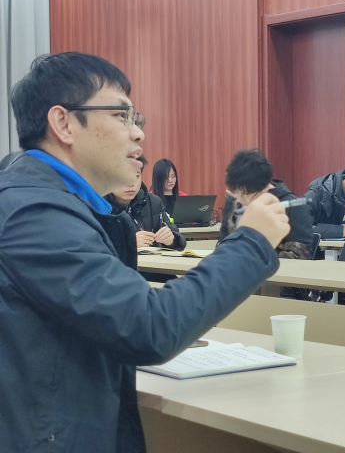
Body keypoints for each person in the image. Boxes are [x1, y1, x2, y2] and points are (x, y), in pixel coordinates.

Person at [0, 52, 289, 452]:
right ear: (63, 123)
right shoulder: (34, 213)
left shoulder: (62, 206)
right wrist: (251, 241)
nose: (138, 134)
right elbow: (148, 328)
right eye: (122, 116)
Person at [220, 148, 313, 259]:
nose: (239, 199)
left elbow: (301, 254)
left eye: (244, 194)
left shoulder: (293, 207)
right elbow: (222, 243)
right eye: (235, 192)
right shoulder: (233, 201)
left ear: (264, 187)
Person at [105, 155, 186, 251]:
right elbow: (92, 248)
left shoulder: (154, 203)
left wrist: (172, 240)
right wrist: (127, 243)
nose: (131, 183)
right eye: (122, 176)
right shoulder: (96, 206)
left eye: (136, 176)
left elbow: (177, 237)